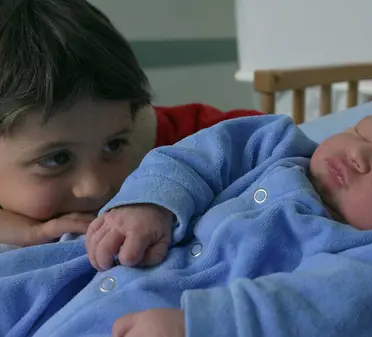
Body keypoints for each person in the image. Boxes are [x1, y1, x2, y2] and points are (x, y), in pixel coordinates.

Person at [0, 96, 372, 337]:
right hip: (79, 273)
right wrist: (149, 203)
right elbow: (193, 156)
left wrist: (205, 327)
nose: (359, 156)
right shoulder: (277, 145)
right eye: (364, 133)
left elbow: (324, 309)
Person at [0, 0, 262, 250]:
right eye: (57, 159)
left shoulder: (177, 140)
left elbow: (263, 135)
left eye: (113, 145)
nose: (96, 187)